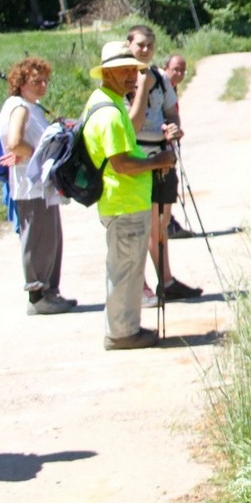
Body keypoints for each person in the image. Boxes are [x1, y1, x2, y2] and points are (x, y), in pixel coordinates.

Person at [83, 41, 176, 350]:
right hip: (124, 203)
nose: (131, 77)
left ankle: (126, 328)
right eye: (123, 71)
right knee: (126, 270)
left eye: (133, 70)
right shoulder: (110, 113)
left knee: (128, 269)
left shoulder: (104, 102)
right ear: (107, 73)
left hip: (123, 202)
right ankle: (122, 333)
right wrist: (156, 162)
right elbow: (121, 164)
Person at [124, 26, 199, 303]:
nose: (145, 50)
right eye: (140, 45)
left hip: (162, 157)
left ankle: (165, 281)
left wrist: (173, 128)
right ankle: (140, 285)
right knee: (139, 224)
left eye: (150, 45)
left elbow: (170, 113)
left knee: (160, 223)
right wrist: (142, 87)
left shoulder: (160, 79)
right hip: (136, 159)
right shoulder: (121, 79)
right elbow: (131, 125)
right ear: (129, 45)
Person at [0, 57, 75, 315]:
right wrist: (37, 154)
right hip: (31, 186)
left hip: (39, 184)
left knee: (51, 239)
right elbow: (15, 143)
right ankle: (38, 297)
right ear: (21, 82)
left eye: (45, 81)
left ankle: (49, 292)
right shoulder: (20, 108)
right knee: (39, 240)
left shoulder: (30, 106)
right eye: (36, 81)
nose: (42, 86)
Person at [160, 53, 196, 240]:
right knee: (165, 184)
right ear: (165, 69)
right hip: (159, 144)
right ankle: (166, 225)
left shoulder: (171, 87)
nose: (180, 74)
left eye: (183, 70)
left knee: (169, 183)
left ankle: (167, 223)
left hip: (169, 143)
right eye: (176, 70)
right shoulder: (158, 87)